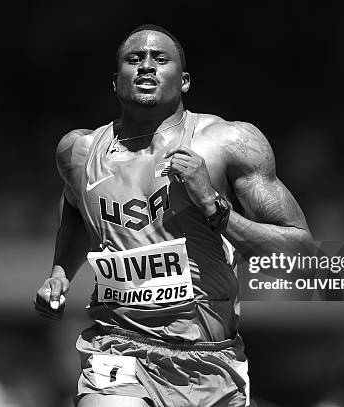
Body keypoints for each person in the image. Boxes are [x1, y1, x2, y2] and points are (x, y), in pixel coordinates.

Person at [34, 24, 311, 407]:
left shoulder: (228, 143)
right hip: (120, 347)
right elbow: (77, 209)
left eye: (159, 59)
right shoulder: (78, 152)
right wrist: (60, 272)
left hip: (211, 360)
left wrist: (214, 206)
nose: (146, 66)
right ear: (116, 83)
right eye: (135, 59)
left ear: (184, 81)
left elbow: (300, 251)